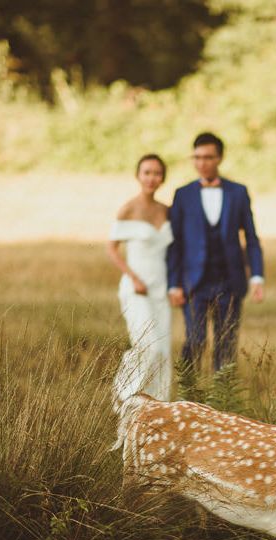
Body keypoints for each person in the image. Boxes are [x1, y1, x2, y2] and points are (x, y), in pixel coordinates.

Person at [167, 132, 264, 372]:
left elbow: (251, 238)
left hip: (230, 282)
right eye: (197, 157)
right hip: (194, 284)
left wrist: (257, 276)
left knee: (226, 345)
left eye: (208, 157)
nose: (202, 163)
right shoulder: (183, 194)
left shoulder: (238, 192)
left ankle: (221, 402)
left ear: (219, 158)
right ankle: (188, 394)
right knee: (196, 340)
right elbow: (175, 243)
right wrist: (174, 284)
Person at [107, 154, 173, 408]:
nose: (152, 178)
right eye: (147, 172)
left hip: (161, 288)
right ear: (138, 175)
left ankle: (156, 407)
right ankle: (124, 397)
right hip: (137, 287)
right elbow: (112, 248)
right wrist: (133, 277)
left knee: (164, 352)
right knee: (148, 346)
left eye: (157, 173)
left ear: (162, 178)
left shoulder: (166, 211)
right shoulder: (128, 209)